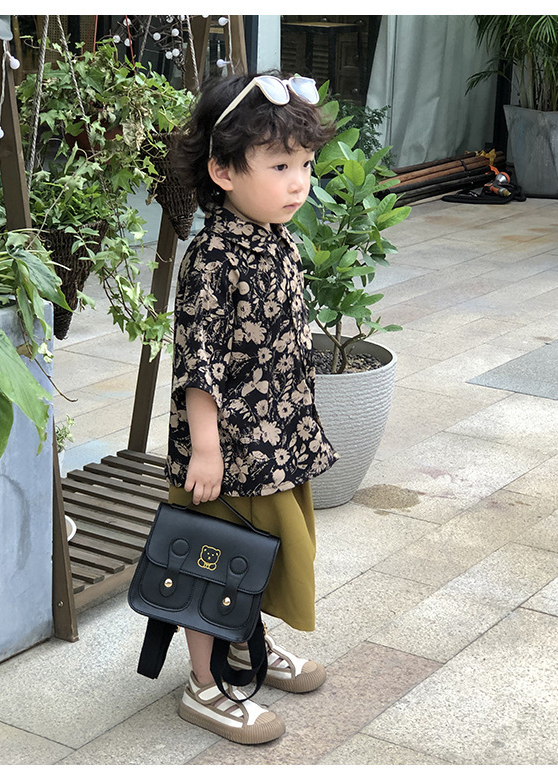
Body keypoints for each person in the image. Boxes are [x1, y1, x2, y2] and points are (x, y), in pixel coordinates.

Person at [165, 72, 339, 745]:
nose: (299, 183)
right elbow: (198, 359)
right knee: (214, 559)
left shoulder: (276, 238)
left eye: (306, 165)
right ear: (223, 171)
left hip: (276, 439)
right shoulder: (213, 256)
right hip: (230, 449)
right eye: (280, 167)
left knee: (257, 556)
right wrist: (205, 448)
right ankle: (203, 685)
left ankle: (246, 645)